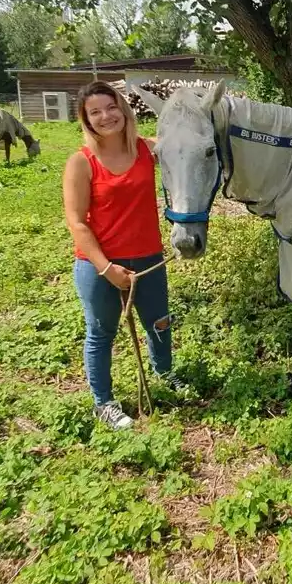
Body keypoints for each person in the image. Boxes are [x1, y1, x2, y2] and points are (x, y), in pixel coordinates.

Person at [63, 81, 188, 430]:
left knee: (160, 323)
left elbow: (186, 147)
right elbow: (77, 223)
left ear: (124, 109)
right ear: (86, 120)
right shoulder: (81, 162)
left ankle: (164, 373)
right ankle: (103, 402)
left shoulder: (147, 151)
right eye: (95, 112)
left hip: (148, 258)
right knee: (101, 332)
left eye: (111, 107)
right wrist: (106, 269)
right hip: (99, 265)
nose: (106, 116)